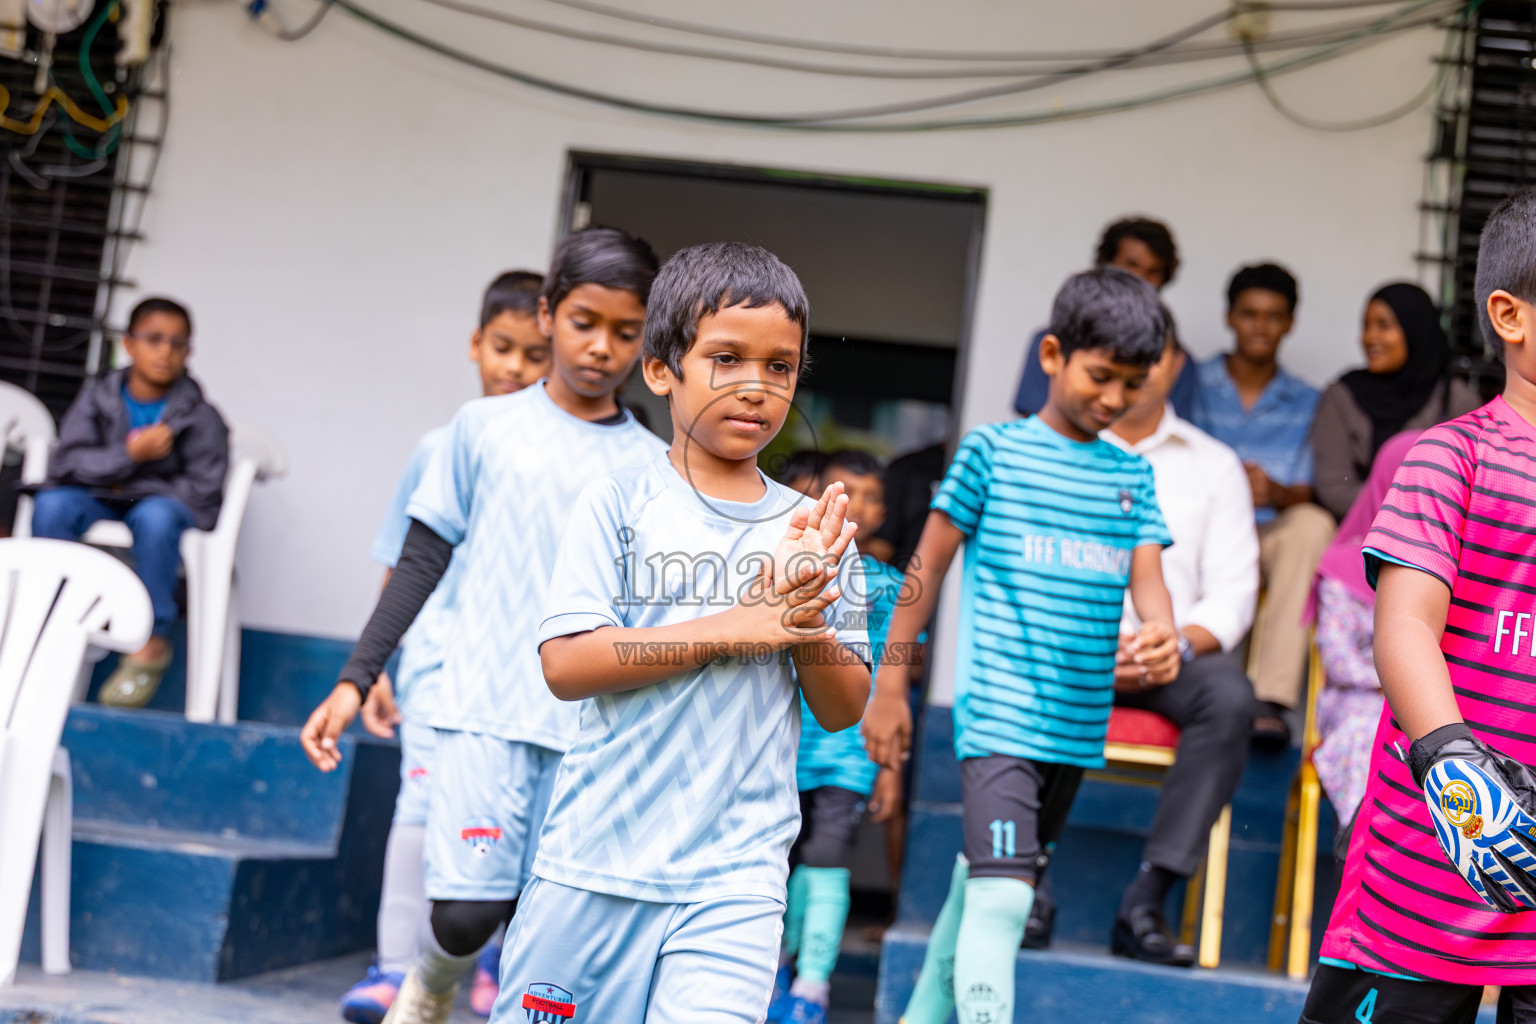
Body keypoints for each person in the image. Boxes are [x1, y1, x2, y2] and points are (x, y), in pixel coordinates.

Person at [490, 242, 872, 1024]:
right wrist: (736, 627)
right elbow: (567, 664)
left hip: (735, 880)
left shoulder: (817, 534)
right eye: (726, 358)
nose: (756, 387)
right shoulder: (617, 502)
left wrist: (799, 619)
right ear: (662, 370)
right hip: (593, 865)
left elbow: (843, 709)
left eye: (780, 367)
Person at [300, 227, 666, 1024]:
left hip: (590, 731)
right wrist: (354, 678)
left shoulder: (651, 466)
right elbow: (420, 560)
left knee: (551, 932)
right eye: (584, 323)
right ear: (547, 316)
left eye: (626, 333)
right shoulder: (482, 430)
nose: (603, 348)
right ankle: (430, 985)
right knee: (466, 915)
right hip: (480, 714)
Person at [863, 267, 1180, 1024]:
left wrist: (1164, 632)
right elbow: (925, 569)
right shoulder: (991, 454)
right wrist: (890, 686)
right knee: (1006, 900)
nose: (1112, 399)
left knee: (982, 885)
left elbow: (1150, 583)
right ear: (1051, 357)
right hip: (1002, 718)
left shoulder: (1132, 475)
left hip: (1076, 729)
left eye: (1130, 386)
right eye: (1099, 377)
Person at [1301, 186, 1536, 1023]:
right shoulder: (1450, 459)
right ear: (1510, 315)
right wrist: (1454, 763)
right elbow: (1404, 627)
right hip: (1433, 840)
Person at [337, 270, 550, 1024]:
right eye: (503, 348)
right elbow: (406, 559)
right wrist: (376, 667)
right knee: (420, 808)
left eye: (534, 353)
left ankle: (486, 960)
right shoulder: (441, 444)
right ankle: (393, 968)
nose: (515, 368)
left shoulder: (554, 455)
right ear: (475, 345)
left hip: (522, 682)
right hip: (432, 669)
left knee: (515, 824)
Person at [1081, 316, 1259, 965]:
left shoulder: (1215, 466)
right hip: (1074, 652)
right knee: (1027, 674)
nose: (1135, 372)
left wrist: (1171, 646)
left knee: (1231, 697)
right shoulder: (1062, 452)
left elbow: (1235, 592)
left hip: (1170, 657)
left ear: (1177, 364)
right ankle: (1025, 881)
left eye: (1149, 358)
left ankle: (1146, 898)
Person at [32, 296, 228, 707]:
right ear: (129, 344)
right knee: (53, 506)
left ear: (188, 352)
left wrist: (137, 485)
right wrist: (131, 457)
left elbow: (204, 493)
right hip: (97, 497)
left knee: (156, 517)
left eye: (178, 343)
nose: (165, 351)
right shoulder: (98, 395)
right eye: (154, 339)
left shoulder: (200, 415)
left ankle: (149, 640)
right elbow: (66, 462)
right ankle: (47, 622)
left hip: (155, 504)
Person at [769, 449, 903, 1024]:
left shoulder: (889, 583)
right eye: (851, 491)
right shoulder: (780, 558)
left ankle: (813, 988)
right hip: (782, 746)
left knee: (824, 857)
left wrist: (890, 763)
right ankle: (771, 975)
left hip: (847, 752)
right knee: (775, 863)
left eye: (875, 497)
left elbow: (895, 678)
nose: (864, 507)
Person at [1190, 262, 1331, 743]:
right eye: (1249, 314)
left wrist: (1275, 492)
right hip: (1200, 537)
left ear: (1290, 322)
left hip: (1268, 539)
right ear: (1230, 317)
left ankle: (1269, 701)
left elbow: (1311, 490)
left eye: (1273, 316)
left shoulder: (1308, 400)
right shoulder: (1191, 381)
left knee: (1312, 523)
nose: (1260, 326)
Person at [1306, 429, 1420, 859]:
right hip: (1356, 703)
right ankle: (1360, 843)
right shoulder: (1342, 564)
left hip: (1429, 705)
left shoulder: (1457, 569)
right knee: (1370, 734)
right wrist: (1408, 676)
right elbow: (1339, 661)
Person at [1310, 283, 1481, 520]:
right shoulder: (1342, 395)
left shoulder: (1455, 400)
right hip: (1357, 536)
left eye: (1384, 326)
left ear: (1415, 329)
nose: (1370, 337)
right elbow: (1335, 491)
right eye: (1366, 326)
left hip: (1435, 538)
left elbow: (1470, 488)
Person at [1013, 216, 1194, 419]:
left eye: (1135, 382)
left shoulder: (1172, 357)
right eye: (1098, 376)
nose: (1141, 278)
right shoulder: (1056, 340)